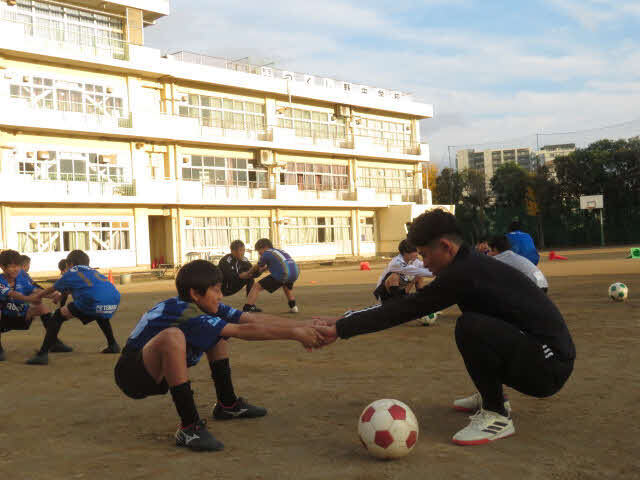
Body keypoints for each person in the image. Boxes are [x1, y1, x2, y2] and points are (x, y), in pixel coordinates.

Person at [314, 209, 575, 446]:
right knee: (475, 319)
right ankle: (492, 395)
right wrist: (343, 321)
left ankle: (497, 415)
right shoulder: (470, 263)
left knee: (470, 326)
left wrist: (341, 328)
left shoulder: (464, 273)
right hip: (543, 354)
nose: (423, 263)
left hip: (548, 366)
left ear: (446, 247)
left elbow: (403, 309)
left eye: (425, 255)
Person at [114, 260, 324, 452]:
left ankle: (228, 404)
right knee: (175, 335)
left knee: (218, 331)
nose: (220, 296)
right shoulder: (184, 312)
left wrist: (304, 325)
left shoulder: (203, 305)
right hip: (133, 375)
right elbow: (243, 332)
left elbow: (249, 319)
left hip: (156, 370)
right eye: (216, 291)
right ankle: (189, 427)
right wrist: (294, 334)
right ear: (195, 293)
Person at [25, 250, 121, 365]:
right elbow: (71, 288)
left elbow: (53, 288)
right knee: (100, 314)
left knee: (57, 316)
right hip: (113, 300)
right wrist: (60, 297)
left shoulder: (72, 272)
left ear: (70, 263)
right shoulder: (93, 271)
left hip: (92, 301)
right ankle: (113, 344)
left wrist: (38, 296)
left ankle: (43, 354)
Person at [0, 250, 70, 361]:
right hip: (4, 319)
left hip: (21, 315)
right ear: (2, 267)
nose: (15, 269)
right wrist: (29, 299)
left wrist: (53, 295)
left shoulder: (21, 277)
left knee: (42, 308)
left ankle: (54, 342)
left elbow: (35, 290)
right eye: (11, 266)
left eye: (17, 266)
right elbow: (12, 294)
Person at [243, 239, 299, 314]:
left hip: (283, 273)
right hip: (294, 272)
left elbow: (258, 267)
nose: (259, 254)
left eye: (259, 250)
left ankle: (246, 309)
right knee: (286, 286)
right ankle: (293, 307)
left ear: (264, 247)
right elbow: (276, 264)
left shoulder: (266, 253)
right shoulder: (279, 251)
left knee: (256, 287)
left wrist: (248, 273)